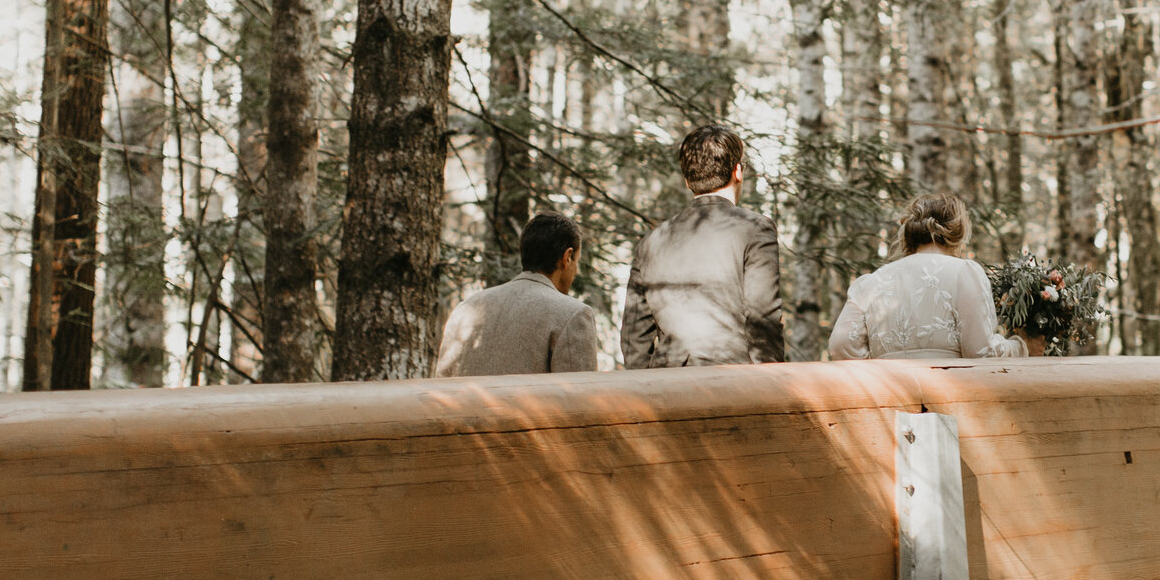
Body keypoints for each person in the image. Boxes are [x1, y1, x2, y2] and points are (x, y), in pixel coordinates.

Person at [621, 122, 787, 367]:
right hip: (736, 385)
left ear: (687, 181)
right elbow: (763, 318)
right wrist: (771, 386)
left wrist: (646, 392)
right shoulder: (755, 229)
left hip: (667, 388)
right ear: (738, 171)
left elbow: (635, 337)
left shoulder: (650, 242)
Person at [828, 193, 1044, 361]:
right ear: (957, 233)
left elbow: (839, 346)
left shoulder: (871, 282)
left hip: (888, 403)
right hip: (948, 403)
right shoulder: (964, 273)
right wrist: (1021, 345)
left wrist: (882, 366)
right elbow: (980, 353)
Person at [433, 212, 601, 377]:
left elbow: (442, 385)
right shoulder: (573, 315)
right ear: (568, 257)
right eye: (577, 261)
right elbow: (579, 398)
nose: (576, 271)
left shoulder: (465, 309)